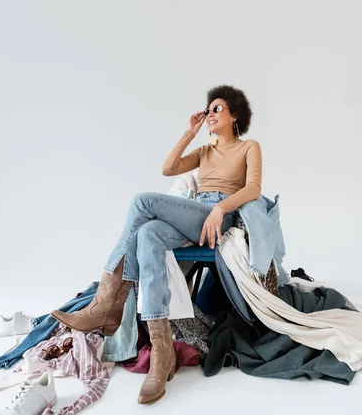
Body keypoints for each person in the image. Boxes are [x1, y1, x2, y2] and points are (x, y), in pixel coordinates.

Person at [51, 84, 262, 405]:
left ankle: (108, 303)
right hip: (195, 210)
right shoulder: (204, 151)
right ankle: (162, 353)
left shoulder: (249, 147)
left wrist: (221, 209)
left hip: (218, 214)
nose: (210, 114)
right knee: (148, 234)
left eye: (217, 108)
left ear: (235, 115)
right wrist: (188, 133)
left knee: (141, 202)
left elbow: (254, 189)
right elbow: (168, 169)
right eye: (208, 109)